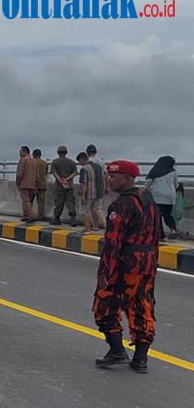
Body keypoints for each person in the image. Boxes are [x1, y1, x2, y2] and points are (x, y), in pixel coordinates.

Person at [93, 160, 161, 374]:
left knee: (104, 305)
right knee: (142, 307)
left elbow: (113, 243)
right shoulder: (149, 200)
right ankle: (140, 359)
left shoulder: (121, 205)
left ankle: (116, 351)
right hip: (148, 263)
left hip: (126, 263)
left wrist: (104, 273)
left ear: (128, 178)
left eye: (114, 176)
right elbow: (158, 235)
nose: (110, 180)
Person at [145, 156, 179, 240]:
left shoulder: (155, 170)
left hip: (157, 196)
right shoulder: (173, 172)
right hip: (170, 196)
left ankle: (160, 235)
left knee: (157, 216)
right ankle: (173, 230)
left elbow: (148, 182)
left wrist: (147, 189)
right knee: (167, 214)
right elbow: (176, 184)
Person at [76, 152, 106, 234]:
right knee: (96, 210)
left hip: (88, 194)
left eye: (79, 162)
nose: (80, 164)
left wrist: (82, 196)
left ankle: (87, 229)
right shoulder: (98, 167)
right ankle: (98, 226)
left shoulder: (84, 169)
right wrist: (104, 189)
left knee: (86, 211)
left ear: (82, 159)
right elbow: (103, 179)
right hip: (99, 192)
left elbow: (83, 184)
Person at [49, 145, 78, 226]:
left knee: (58, 202)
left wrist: (61, 181)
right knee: (71, 202)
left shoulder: (55, 162)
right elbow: (75, 172)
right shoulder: (71, 162)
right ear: (66, 152)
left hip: (59, 186)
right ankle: (73, 219)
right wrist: (67, 179)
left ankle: (57, 219)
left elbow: (54, 173)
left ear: (58, 153)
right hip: (69, 185)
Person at [15, 145, 37, 222]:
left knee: (25, 200)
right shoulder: (34, 160)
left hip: (24, 183)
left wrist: (17, 181)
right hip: (32, 183)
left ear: (24, 152)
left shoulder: (23, 160)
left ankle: (31, 215)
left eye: (20, 151)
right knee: (28, 200)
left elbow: (19, 173)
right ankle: (26, 215)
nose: (19, 153)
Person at [32, 149, 49, 220]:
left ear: (34, 154)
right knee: (41, 202)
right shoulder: (45, 163)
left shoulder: (32, 162)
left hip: (33, 184)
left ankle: (29, 214)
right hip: (42, 184)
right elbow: (45, 173)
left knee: (30, 201)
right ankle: (41, 215)